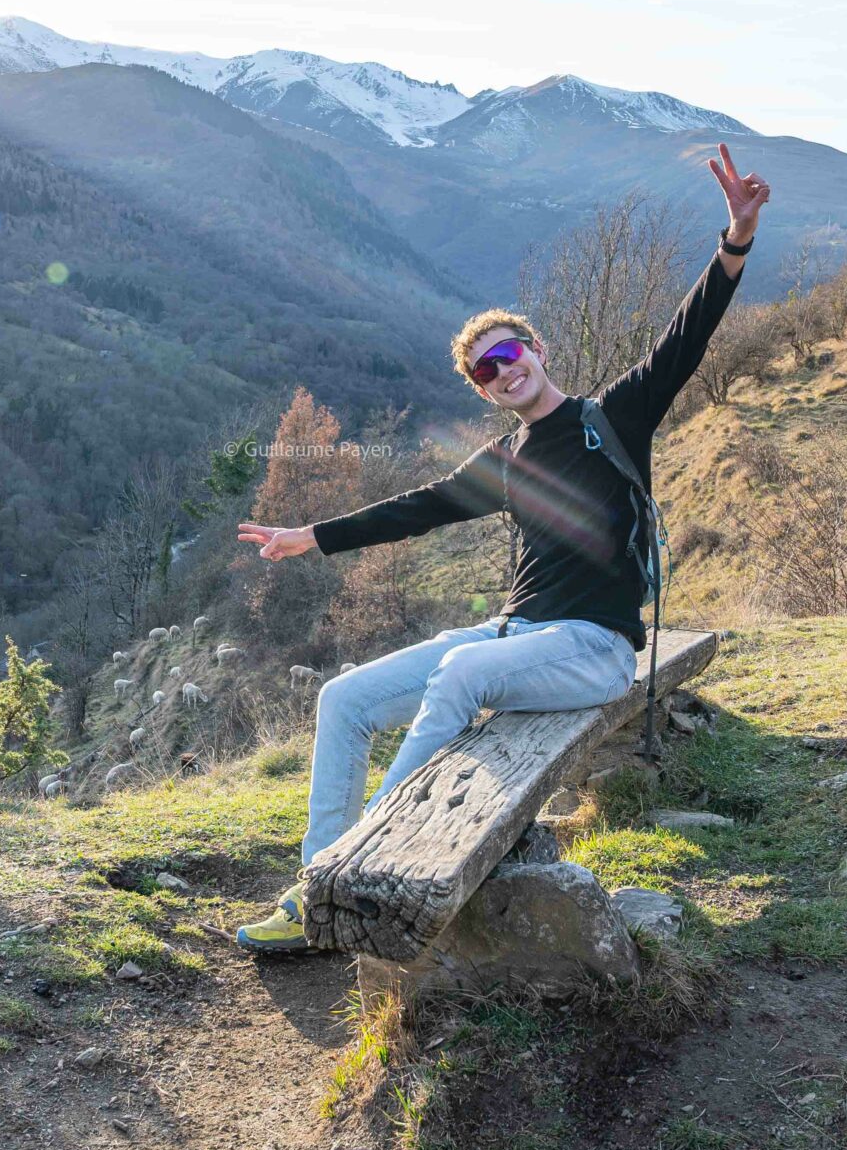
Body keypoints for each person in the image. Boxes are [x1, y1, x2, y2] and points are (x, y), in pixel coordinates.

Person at [232, 143, 771, 953]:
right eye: (484, 372)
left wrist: (733, 238)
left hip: (592, 647)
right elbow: (423, 507)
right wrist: (313, 536)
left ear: (538, 352)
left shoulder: (610, 417)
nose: (500, 373)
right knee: (342, 700)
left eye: (508, 355)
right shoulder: (507, 460)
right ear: (481, 389)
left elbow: (682, 340)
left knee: (460, 672)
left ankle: (353, 873)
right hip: (511, 639)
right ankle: (320, 883)